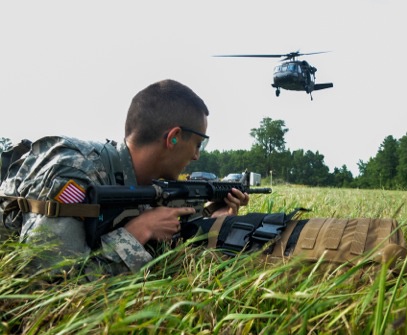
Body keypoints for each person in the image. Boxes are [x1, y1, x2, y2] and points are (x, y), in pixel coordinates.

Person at [0, 79, 249, 278]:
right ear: (173, 137)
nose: (196, 156)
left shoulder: (140, 182)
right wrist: (139, 231)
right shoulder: (74, 172)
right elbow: (48, 282)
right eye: (198, 144)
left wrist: (211, 220)